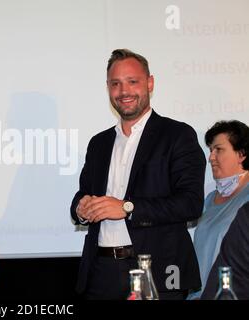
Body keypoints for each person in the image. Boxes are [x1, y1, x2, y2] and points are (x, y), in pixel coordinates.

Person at [70, 48, 206, 300]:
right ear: (108, 88)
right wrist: (81, 207)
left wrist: (127, 207)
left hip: (160, 270)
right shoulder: (98, 143)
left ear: (150, 83)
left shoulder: (177, 135)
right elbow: (83, 193)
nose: (124, 92)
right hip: (101, 271)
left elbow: (191, 203)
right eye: (116, 84)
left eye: (133, 82)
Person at [188, 120, 248, 299]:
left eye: (218, 150)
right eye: (210, 150)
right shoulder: (209, 199)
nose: (211, 157)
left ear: (241, 154)